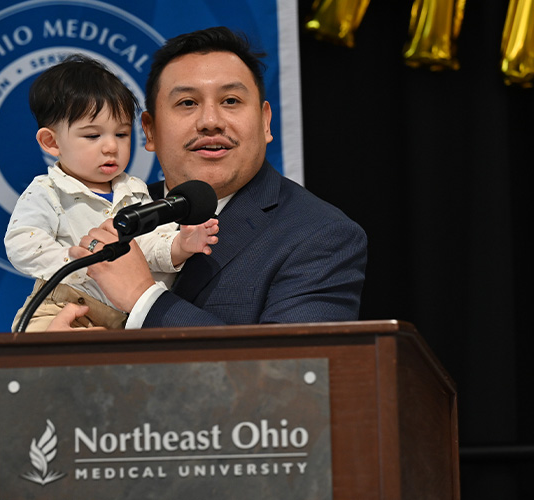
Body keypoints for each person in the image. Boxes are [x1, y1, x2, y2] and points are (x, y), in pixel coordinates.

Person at [66, 26, 367, 328]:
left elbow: (291, 371)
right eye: (187, 103)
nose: (210, 122)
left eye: (231, 101)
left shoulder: (320, 235)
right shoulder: (112, 211)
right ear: (149, 130)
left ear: (265, 122)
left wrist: (142, 297)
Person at [5, 54, 218, 332]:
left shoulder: (134, 190)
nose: (110, 147)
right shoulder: (48, 190)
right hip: (61, 304)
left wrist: (179, 246)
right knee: (36, 357)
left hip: (119, 320)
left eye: (121, 134)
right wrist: (74, 262)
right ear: (51, 142)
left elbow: (147, 248)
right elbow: (21, 243)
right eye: (93, 136)